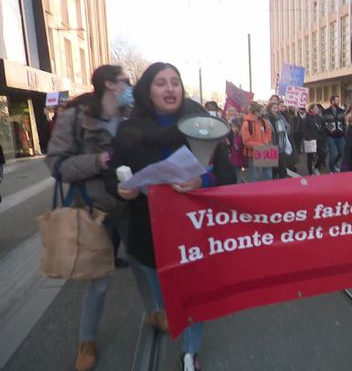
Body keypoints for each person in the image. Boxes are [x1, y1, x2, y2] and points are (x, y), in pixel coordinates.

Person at [111, 62, 236, 371]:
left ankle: (191, 353)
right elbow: (109, 176)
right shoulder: (129, 131)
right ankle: (174, 319)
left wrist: (202, 182)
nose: (170, 88)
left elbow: (227, 174)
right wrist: (121, 190)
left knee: (195, 299)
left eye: (175, 82)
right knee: (169, 300)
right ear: (147, 90)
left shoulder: (203, 125)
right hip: (150, 235)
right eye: (161, 83)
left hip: (196, 232)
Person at [45, 65, 133, 371]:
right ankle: (87, 342)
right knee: (99, 281)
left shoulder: (130, 117)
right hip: (95, 209)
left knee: (147, 265)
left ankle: (157, 312)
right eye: (126, 82)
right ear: (110, 84)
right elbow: (56, 165)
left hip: (131, 204)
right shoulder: (74, 117)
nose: (130, 86)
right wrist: (98, 161)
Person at [241, 102, 273, 182]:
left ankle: (269, 190)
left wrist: (265, 141)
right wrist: (259, 145)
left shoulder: (264, 122)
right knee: (254, 176)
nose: (264, 113)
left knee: (268, 174)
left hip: (265, 150)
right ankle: (254, 192)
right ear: (256, 112)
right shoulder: (246, 123)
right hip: (252, 153)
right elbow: (246, 141)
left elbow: (268, 133)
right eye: (262, 111)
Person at [266, 101, 292, 179]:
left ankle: (282, 186)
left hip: (280, 146)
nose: (275, 110)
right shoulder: (265, 118)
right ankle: (273, 187)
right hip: (269, 146)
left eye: (277, 108)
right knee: (272, 169)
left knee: (282, 169)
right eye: (274, 108)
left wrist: (284, 134)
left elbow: (288, 127)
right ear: (269, 109)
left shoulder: (280, 117)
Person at [322, 95, 346, 173]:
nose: (338, 102)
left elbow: (344, 122)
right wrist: (330, 128)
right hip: (330, 136)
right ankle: (332, 169)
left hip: (340, 135)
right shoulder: (325, 111)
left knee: (342, 152)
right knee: (333, 153)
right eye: (337, 100)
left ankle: (335, 163)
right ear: (332, 101)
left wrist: (343, 128)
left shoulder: (342, 111)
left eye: (339, 100)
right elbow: (323, 122)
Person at [302, 103, 327, 175]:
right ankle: (310, 173)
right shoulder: (306, 119)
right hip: (310, 140)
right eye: (315, 108)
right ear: (311, 110)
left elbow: (324, 127)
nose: (317, 110)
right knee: (310, 157)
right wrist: (308, 137)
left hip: (319, 139)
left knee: (322, 155)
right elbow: (303, 130)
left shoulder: (320, 118)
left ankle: (316, 167)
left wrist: (322, 130)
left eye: (318, 108)